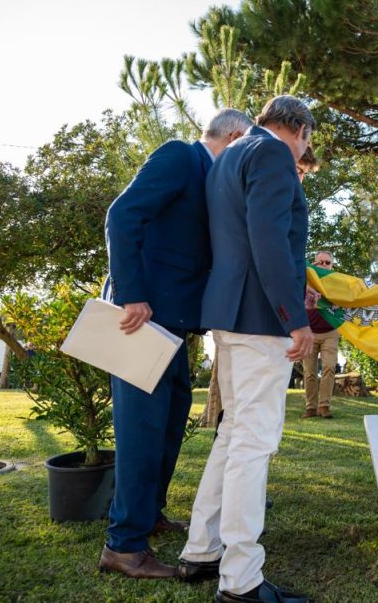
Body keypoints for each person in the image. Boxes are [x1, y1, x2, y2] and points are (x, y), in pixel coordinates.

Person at [100, 108, 252, 579]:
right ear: (234, 136)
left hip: (173, 326)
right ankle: (123, 545)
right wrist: (132, 295)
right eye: (248, 146)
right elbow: (122, 215)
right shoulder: (178, 157)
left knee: (167, 426)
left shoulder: (210, 177)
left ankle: (150, 515)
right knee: (141, 432)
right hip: (140, 318)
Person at [178, 96, 315, 603]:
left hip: (226, 312)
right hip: (260, 317)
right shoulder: (275, 153)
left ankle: (201, 549)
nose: (303, 153)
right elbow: (269, 240)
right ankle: (241, 579)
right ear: (298, 128)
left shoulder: (228, 154)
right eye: (306, 142)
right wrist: (293, 317)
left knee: (233, 433)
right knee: (253, 443)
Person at [301, 251, 340, 419]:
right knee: (309, 372)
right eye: (321, 262)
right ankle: (311, 407)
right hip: (309, 332)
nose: (324, 265)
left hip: (331, 332)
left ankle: (324, 406)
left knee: (329, 367)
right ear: (314, 264)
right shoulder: (306, 280)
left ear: (332, 265)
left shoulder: (338, 283)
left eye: (328, 262)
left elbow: (348, 301)